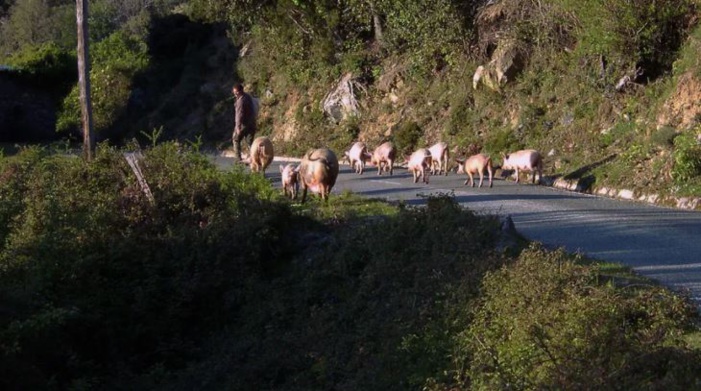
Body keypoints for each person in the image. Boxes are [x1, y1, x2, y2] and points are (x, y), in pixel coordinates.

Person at [231, 83, 257, 162]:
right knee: (250, 142)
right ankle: (253, 158)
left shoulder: (240, 101)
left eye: (236, 92)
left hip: (244, 124)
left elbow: (239, 115)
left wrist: (238, 127)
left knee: (236, 139)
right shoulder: (248, 97)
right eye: (234, 92)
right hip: (252, 123)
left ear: (241, 91)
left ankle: (238, 159)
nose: (235, 94)